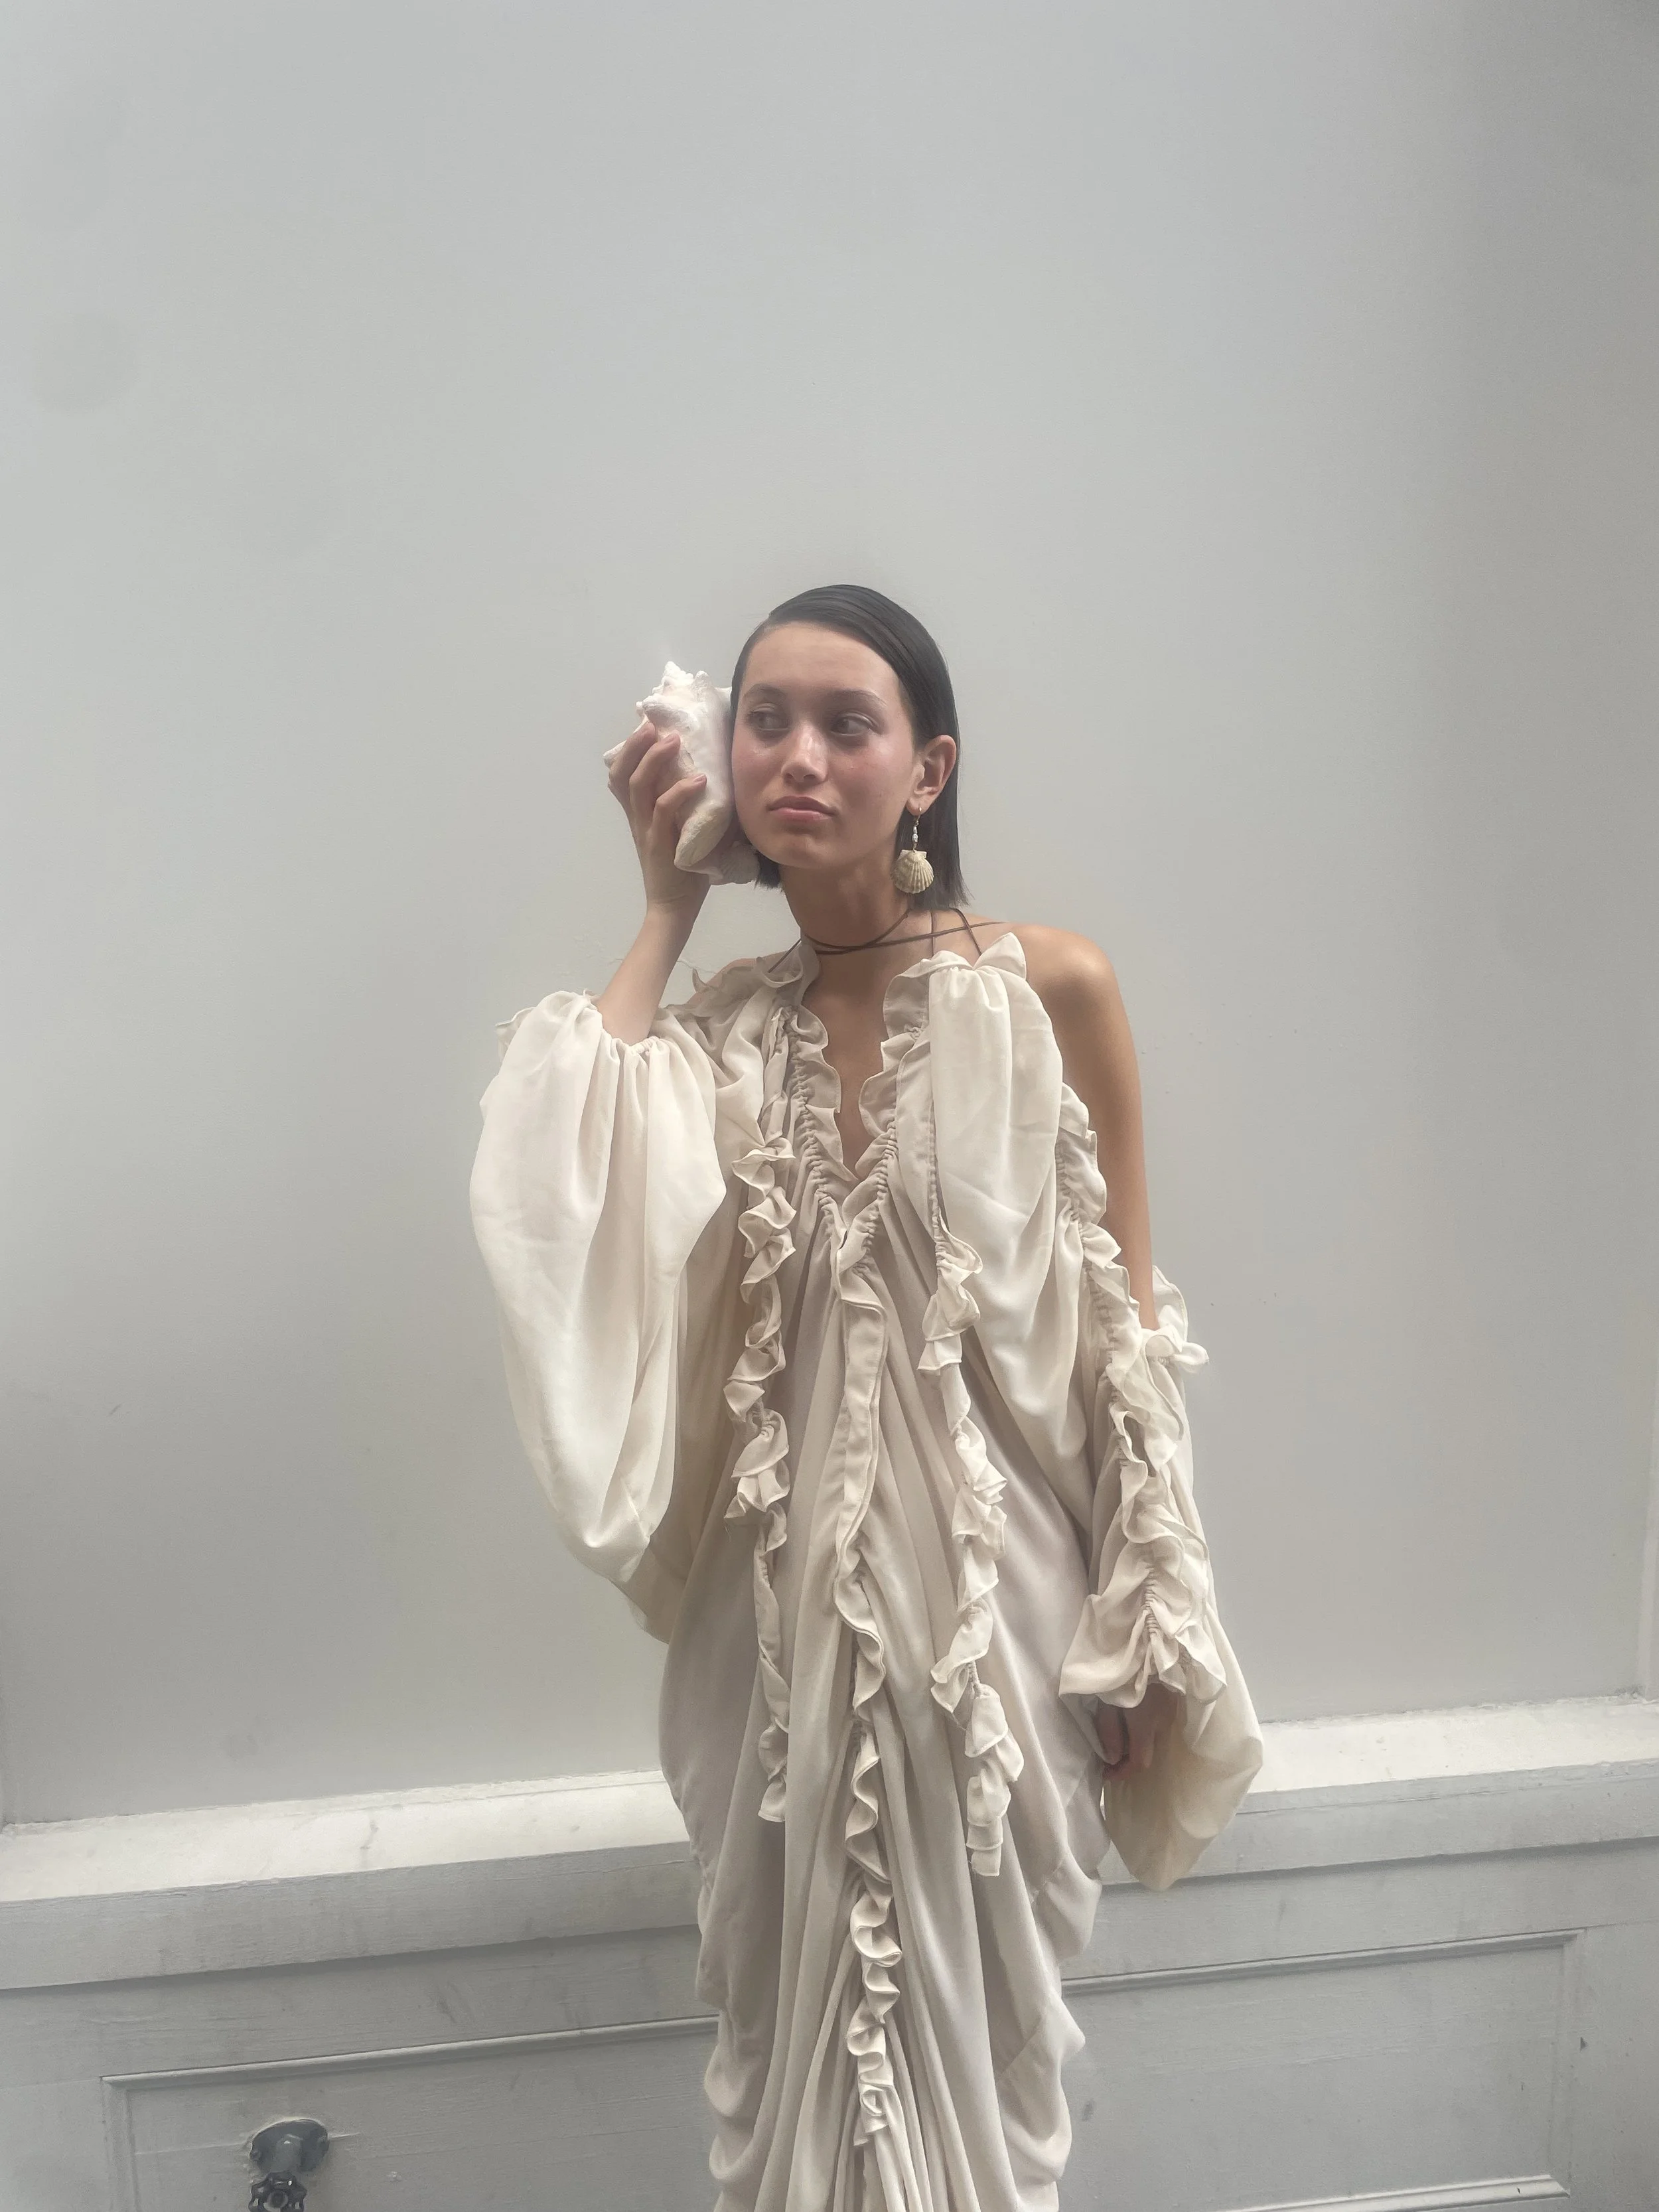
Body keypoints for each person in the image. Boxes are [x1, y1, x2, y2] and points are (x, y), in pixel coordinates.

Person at [469, 583, 1263, 2211]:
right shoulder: (722, 1035)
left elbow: (1123, 1335)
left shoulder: (1049, 986)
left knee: (984, 2058)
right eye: (764, 718)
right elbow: (560, 1185)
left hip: (996, 1635)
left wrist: (1142, 1612)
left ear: (929, 766)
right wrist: (665, 908)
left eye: (848, 722)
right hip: (770, 1648)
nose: (799, 754)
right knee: (788, 2045)